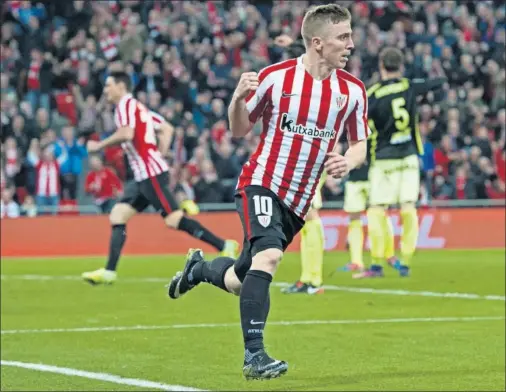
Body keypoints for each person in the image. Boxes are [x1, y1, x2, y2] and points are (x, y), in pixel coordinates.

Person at [167, 4, 368, 380]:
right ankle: (254, 357)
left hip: (298, 200)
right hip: (261, 182)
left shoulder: (353, 91)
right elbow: (240, 129)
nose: (351, 44)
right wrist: (237, 99)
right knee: (270, 256)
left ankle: (197, 271)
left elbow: (359, 143)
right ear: (317, 42)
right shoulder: (276, 79)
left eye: (350, 35)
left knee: (241, 278)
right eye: (344, 37)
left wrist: (349, 161)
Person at [82, 71, 238, 285]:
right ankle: (109, 271)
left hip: (150, 173)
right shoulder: (139, 108)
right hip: (145, 174)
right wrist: (161, 152)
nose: (106, 90)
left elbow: (127, 134)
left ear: (120, 86)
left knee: (173, 219)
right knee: (118, 215)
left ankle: (223, 245)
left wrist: (99, 145)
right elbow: (167, 128)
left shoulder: (125, 106)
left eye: (109, 86)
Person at [365, 47, 446, 278]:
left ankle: (378, 262)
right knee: (409, 208)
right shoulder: (410, 86)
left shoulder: (374, 93)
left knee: (377, 210)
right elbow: (436, 83)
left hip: (383, 159)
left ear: (382, 65)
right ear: (400, 65)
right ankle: (406, 259)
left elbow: (358, 116)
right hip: (409, 157)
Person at [281, 171, 326, 294]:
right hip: (303, 169)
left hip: (310, 168)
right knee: (306, 221)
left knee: (311, 215)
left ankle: (316, 281)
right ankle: (307, 278)